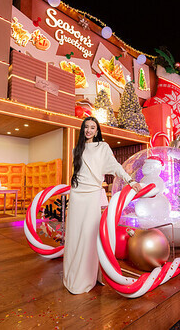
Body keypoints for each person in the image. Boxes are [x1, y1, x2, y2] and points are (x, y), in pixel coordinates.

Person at [63, 117, 142, 294]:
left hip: (92, 195)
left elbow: (115, 166)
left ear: (97, 131)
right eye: (86, 127)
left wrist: (130, 180)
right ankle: (73, 275)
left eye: (92, 128)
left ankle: (88, 275)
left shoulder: (103, 147)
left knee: (89, 234)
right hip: (77, 194)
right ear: (82, 130)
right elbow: (77, 173)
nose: (89, 130)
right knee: (75, 233)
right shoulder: (77, 149)